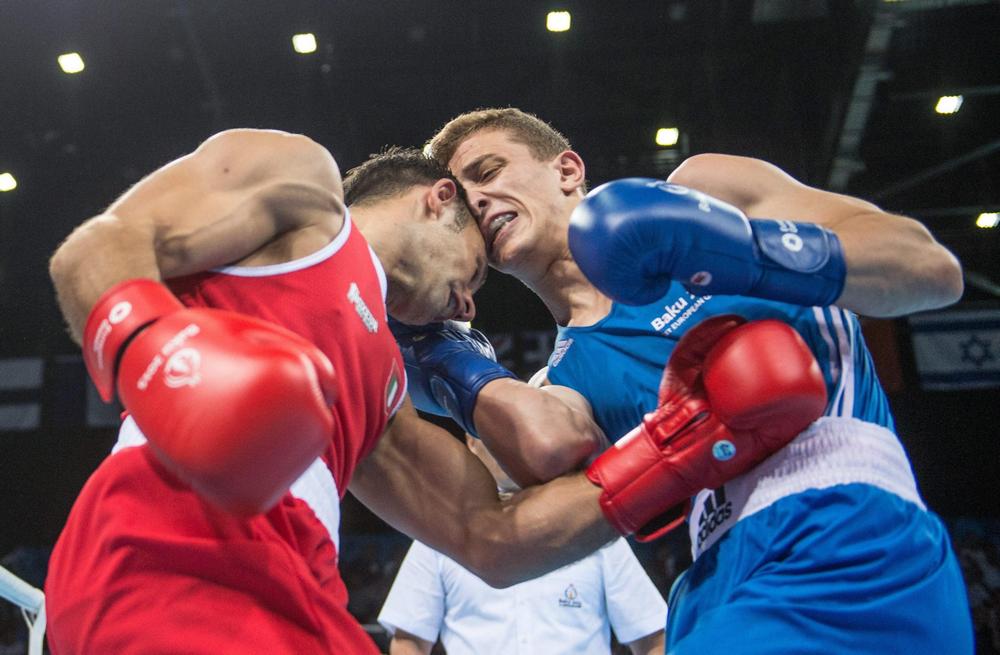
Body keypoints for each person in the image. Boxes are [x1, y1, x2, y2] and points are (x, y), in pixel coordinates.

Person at [43, 130, 822, 653]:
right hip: (164, 552)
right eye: (477, 271)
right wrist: (169, 363)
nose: (470, 304)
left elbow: (491, 535)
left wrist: (689, 441)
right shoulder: (305, 195)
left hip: (303, 590)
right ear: (439, 198)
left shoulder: (385, 389)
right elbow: (99, 247)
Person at [412, 107, 974, 653]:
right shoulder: (562, 386)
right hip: (713, 581)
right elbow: (503, 535)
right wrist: (441, 353)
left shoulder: (710, 191)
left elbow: (932, 271)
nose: (478, 199)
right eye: (462, 199)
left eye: (488, 173)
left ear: (567, 170)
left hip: (852, 537)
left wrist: (744, 251)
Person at [378, 435, 667, 655]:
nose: (506, 449)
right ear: (471, 442)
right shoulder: (439, 536)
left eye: (515, 438)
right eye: (492, 437)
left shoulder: (593, 529)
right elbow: (409, 640)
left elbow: (652, 637)